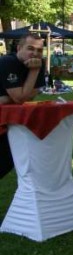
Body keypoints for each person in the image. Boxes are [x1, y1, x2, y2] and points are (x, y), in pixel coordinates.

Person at [0, 33, 46, 178]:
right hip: (5, 120)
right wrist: (34, 71)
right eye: (30, 48)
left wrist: (7, 98)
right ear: (19, 48)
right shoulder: (8, 62)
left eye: (39, 50)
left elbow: (31, 95)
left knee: (8, 160)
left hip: (8, 119)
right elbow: (20, 98)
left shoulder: (39, 63)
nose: (35, 53)